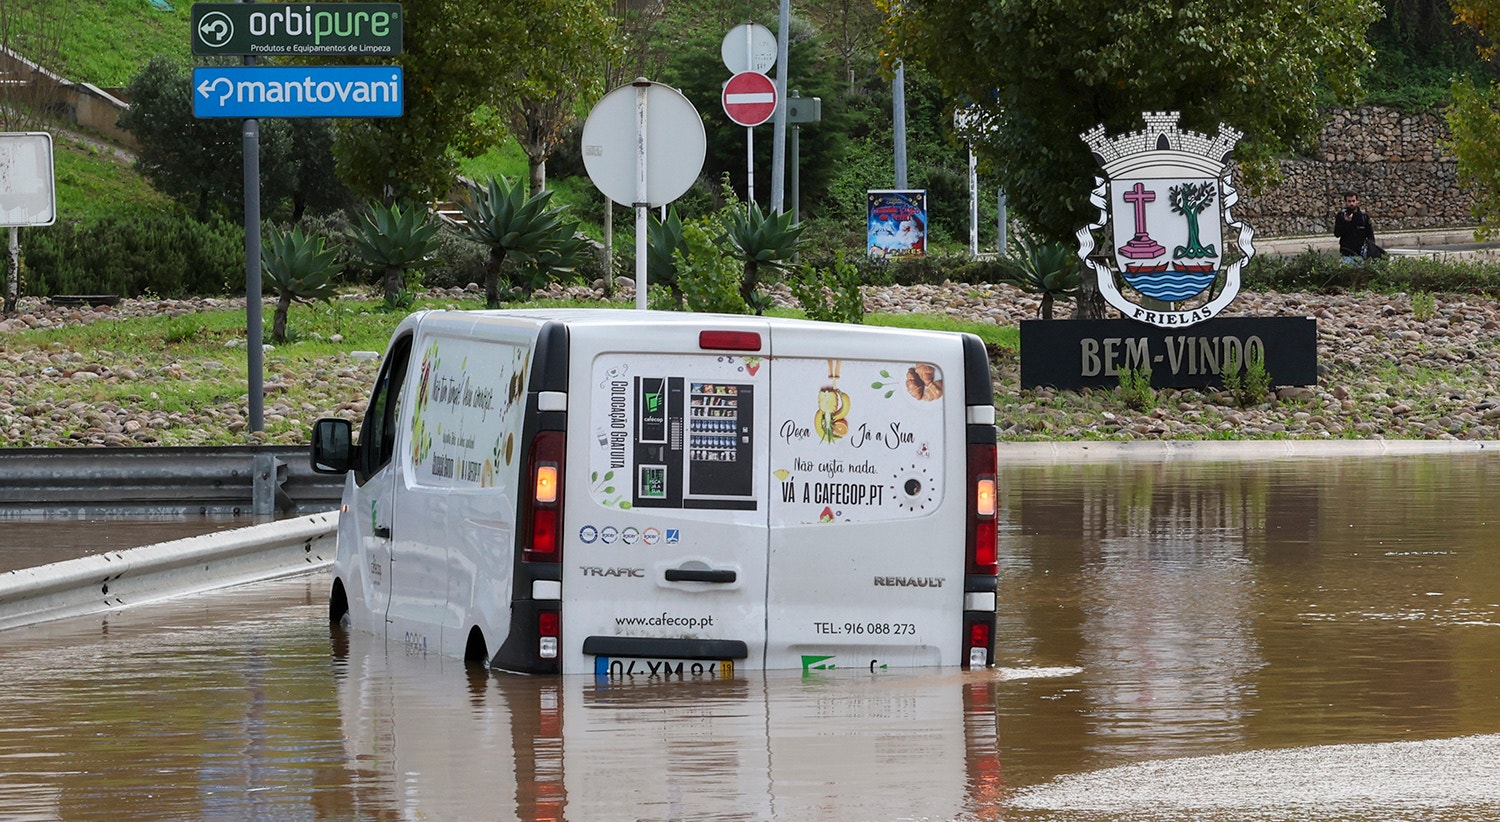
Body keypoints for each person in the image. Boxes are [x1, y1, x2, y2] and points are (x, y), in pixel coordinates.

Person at [1333, 191, 1375, 264]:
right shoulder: (1341, 216)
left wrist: (1370, 249)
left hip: (1360, 255)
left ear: (1357, 201)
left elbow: (1370, 235)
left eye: (1353, 201)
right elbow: (1337, 234)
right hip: (1346, 254)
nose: (1351, 203)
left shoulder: (1364, 217)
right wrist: (1346, 222)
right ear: (1345, 202)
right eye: (1349, 201)